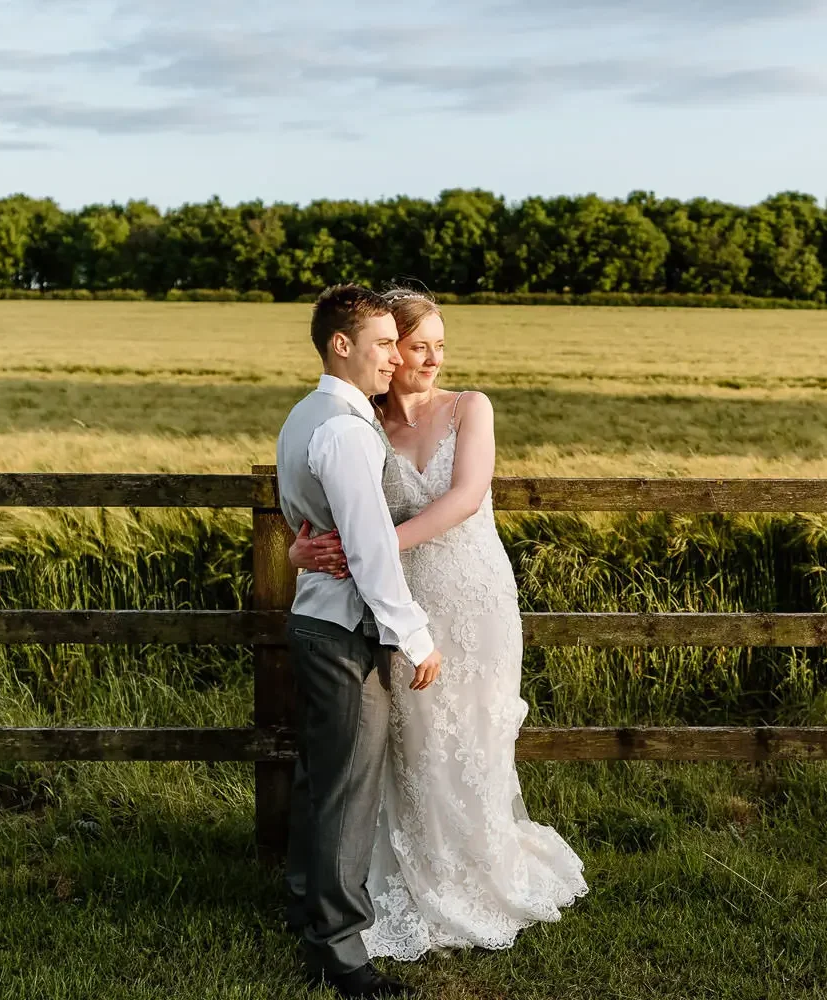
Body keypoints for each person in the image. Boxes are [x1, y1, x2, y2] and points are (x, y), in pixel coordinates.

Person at [289, 288, 587, 963]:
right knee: (412, 742)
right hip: (405, 604)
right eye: (415, 345)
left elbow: (465, 497)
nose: (429, 359)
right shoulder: (359, 421)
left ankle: (480, 869)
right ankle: (413, 876)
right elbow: (330, 504)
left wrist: (373, 546)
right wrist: (300, 549)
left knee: (476, 732)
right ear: (388, 351)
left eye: (438, 347)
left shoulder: (469, 408)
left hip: (475, 595)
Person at [275, 284, 442, 999]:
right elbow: (371, 552)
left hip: (316, 619)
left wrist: (295, 552)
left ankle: (304, 904)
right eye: (381, 343)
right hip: (346, 628)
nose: (394, 356)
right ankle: (342, 955)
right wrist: (416, 635)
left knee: (320, 778)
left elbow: (306, 523)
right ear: (341, 345)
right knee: (347, 790)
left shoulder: (303, 414)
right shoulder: (345, 429)